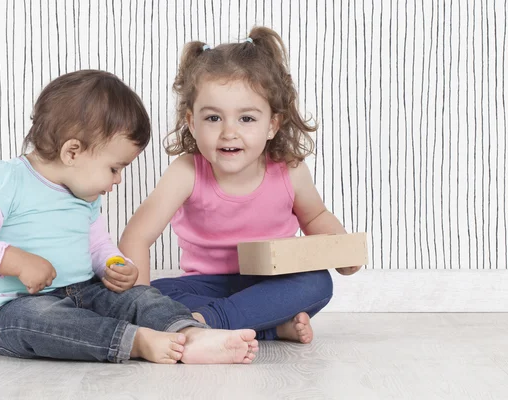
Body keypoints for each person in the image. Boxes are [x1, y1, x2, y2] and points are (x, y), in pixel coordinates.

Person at [0, 70, 258, 364]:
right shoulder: (5, 179)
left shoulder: (85, 195)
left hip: (86, 292)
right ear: (72, 152)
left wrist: (112, 264)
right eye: (114, 168)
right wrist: (16, 261)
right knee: (45, 321)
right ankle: (135, 341)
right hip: (13, 308)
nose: (118, 180)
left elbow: (97, 246)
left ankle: (189, 335)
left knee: (141, 297)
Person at [119, 27, 362, 343]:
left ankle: (209, 323)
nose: (229, 132)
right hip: (204, 285)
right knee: (160, 292)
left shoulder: (289, 170)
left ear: (272, 124)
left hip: (270, 284)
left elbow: (315, 217)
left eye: (246, 119)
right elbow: (137, 234)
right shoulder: (187, 171)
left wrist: (341, 251)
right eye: (213, 119)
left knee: (317, 283)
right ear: (192, 123)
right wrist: (141, 304)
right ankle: (269, 328)